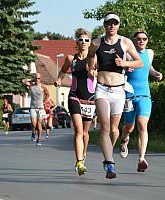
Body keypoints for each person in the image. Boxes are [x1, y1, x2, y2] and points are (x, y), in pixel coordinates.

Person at [87, 12, 143, 179]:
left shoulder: (125, 42)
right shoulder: (97, 43)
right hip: (102, 89)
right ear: (104, 25)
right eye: (109, 23)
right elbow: (90, 56)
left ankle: (108, 153)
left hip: (119, 90)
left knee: (114, 129)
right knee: (105, 127)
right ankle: (109, 163)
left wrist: (124, 63)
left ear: (118, 25)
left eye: (115, 23)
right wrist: (91, 68)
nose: (112, 26)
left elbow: (139, 62)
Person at [119, 30, 163, 173]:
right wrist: (126, 67)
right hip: (129, 94)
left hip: (144, 94)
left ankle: (141, 159)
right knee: (129, 127)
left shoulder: (149, 53)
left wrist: (156, 73)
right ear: (134, 41)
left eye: (144, 39)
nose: (141, 41)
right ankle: (124, 139)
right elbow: (119, 68)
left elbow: (148, 67)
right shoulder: (127, 53)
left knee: (142, 124)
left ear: (147, 40)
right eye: (138, 39)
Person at [55, 28, 95, 176]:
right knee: (78, 130)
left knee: (85, 132)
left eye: (86, 40)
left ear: (90, 43)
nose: (83, 42)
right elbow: (63, 71)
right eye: (81, 40)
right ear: (76, 42)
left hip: (90, 99)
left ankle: (82, 158)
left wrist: (94, 72)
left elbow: (102, 74)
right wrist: (59, 79)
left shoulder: (94, 58)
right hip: (74, 96)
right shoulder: (70, 58)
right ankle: (79, 161)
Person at [22, 73, 50, 146]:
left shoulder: (43, 86)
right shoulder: (31, 85)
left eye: (39, 78)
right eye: (36, 78)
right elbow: (23, 81)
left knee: (39, 124)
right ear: (34, 78)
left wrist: (43, 101)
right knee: (33, 123)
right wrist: (31, 80)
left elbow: (48, 94)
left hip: (40, 108)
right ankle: (33, 133)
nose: (37, 80)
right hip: (33, 107)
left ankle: (39, 139)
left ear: (40, 79)